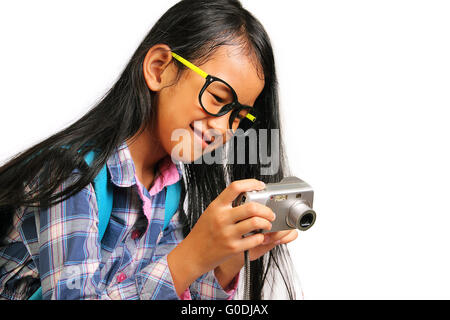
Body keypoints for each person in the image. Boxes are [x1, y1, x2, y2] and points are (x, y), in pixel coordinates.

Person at [0, 0, 299, 300]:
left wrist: (226, 259)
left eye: (237, 116)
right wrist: (191, 256)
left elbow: (173, 293)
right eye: (217, 98)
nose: (223, 129)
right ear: (159, 69)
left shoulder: (167, 191)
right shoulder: (72, 174)